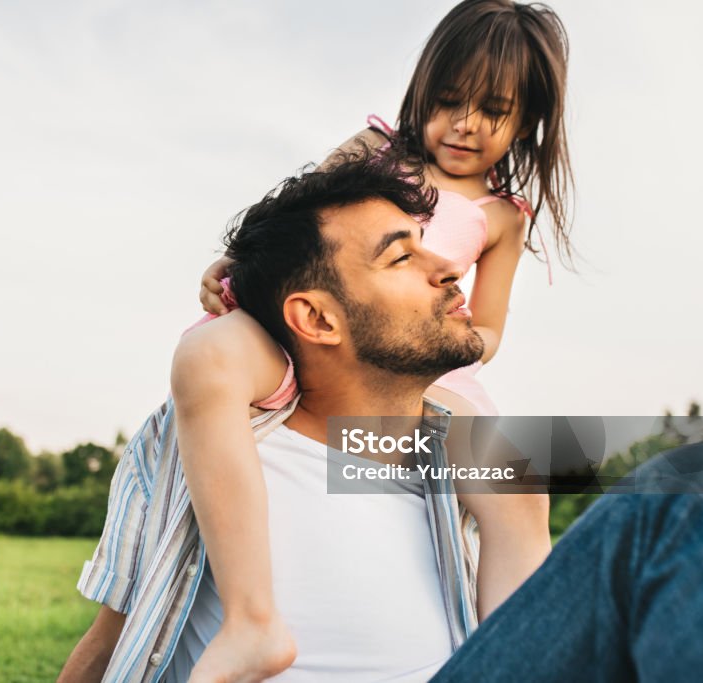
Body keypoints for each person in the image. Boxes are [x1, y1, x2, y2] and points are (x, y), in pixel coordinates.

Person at [58, 150, 703, 682]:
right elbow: (117, 633)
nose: (449, 268)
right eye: (402, 254)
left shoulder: (464, 454)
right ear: (317, 317)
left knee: (701, 481)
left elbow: (534, 596)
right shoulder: (201, 441)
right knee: (696, 480)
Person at [178, 1, 572, 679]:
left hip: (426, 361)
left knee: (517, 483)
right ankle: (251, 619)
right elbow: (292, 226)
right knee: (209, 356)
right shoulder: (374, 152)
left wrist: (439, 338)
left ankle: (506, 662)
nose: (465, 123)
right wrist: (233, 267)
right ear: (422, 88)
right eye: (449, 100)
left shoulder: (503, 216)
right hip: (312, 328)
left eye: (493, 111)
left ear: (527, 121)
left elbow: (490, 328)